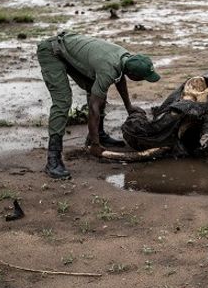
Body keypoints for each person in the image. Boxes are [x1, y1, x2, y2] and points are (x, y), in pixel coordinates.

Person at [36, 32, 160, 178]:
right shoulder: (108, 68)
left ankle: (99, 134)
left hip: (66, 48)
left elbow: (119, 78)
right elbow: (94, 108)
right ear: (133, 75)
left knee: (97, 88)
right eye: (142, 78)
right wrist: (95, 145)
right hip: (52, 51)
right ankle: (53, 160)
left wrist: (129, 107)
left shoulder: (124, 57)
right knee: (63, 101)